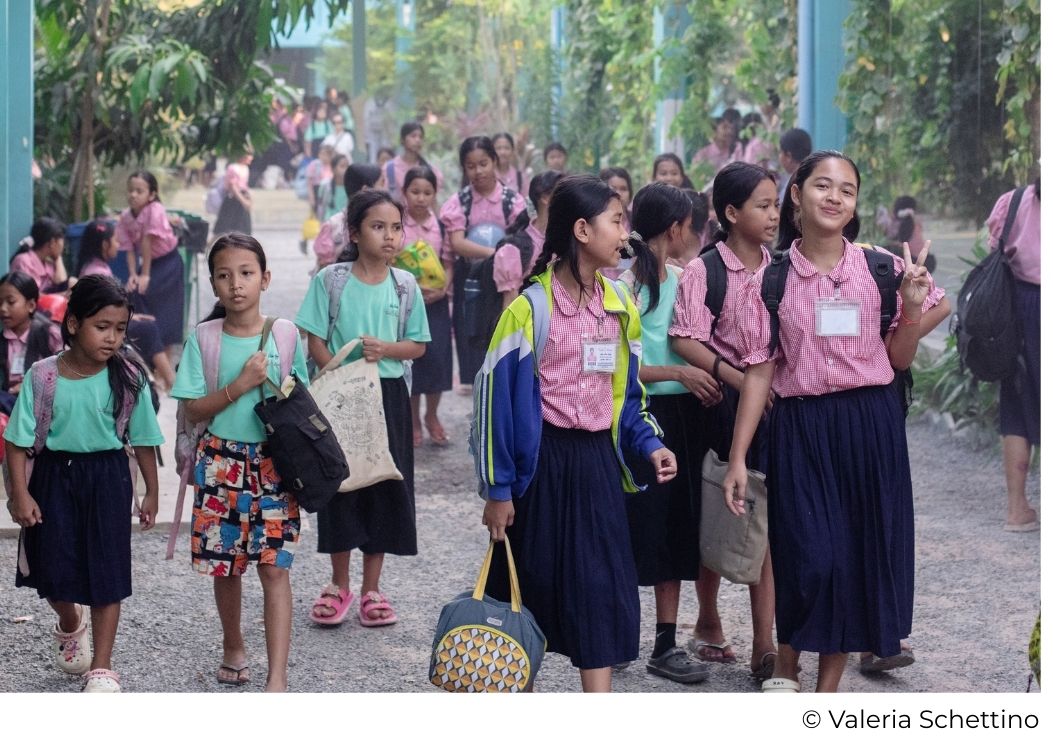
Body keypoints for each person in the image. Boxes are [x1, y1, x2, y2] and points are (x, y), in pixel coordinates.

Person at [721, 150, 945, 693]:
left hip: (871, 426)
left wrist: (911, 307)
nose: (835, 197)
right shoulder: (769, 280)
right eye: (823, 186)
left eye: (847, 190)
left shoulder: (882, 268)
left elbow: (900, 358)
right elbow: (758, 371)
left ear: (855, 204)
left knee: (853, 558)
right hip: (801, 427)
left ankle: (825, 695)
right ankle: (785, 660)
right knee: (808, 555)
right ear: (797, 195)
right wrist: (738, 456)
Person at [477, 174, 677, 692]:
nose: (626, 233)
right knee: (529, 593)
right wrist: (498, 491)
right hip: (540, 467)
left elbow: (628, 398)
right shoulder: (530, 309)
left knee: (601, 590)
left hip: (597, 467)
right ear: (583, 229)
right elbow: (496, 405)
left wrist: (650, 444)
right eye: (617, 221)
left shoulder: (620, 305)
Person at [4, 274, 163, 693]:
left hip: (108, 477)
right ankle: (71, 622)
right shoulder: (43, 377)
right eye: (102, 327)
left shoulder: (129, 378)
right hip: (55, 477)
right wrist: (18, 495)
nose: (113, 338)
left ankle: (103, 667)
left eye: (121, 329)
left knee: (106, 567)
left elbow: (144, 439)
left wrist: (151, 490)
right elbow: (16, 443)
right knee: (50, 565)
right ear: (73, 324)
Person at [170, 233, 309, 692]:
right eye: (225, 275)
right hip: (220, 462)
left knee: (274, 567)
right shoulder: (204, 338)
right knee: (226, 565)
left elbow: (302, 401)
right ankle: (233, 644)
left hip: (274, 464)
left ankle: (278, 679)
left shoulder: (285, 335)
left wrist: (273, 385)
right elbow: (192, 408)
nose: (236, 285)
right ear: (213, 283)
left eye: (247, 273)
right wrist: (243, 383)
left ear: (265, 279)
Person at [296, 190, 430, 630]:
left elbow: (418, 345)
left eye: (396, 227)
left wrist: (387, 348)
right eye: (378, 226)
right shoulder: (331, 281)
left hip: (389, 397)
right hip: (340, 399)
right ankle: (338, 584)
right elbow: (312, 334)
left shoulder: (405, 286)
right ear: (354, 232)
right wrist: (332, 368)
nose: (389, 236)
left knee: (384, 485)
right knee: (341, 485)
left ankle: (373, 587)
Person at [669, 162, 780, 679]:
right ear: (731, 213)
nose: (774, 214)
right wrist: (737, 378)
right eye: (763, 205)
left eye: (777, 204)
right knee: (719, 512)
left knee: (768, 522)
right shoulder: (704, 270)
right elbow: (683, 337)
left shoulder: (784, 268)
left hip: (779, 411)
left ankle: (765, 642)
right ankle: (708, 618)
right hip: (719, 408)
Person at [617, 183, 720, 684]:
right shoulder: (624, 289)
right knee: (637, 522)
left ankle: (663, 642)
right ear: (675, 229)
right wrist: (679, 373)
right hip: (641, 415)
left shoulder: (686, 279)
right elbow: (618, 369)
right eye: (689, 224)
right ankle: (618, 635)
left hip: (684, 420)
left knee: (676, 524)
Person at [439, 136, 527, 389]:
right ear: (464, 169)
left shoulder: (512, 200)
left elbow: (520, 239)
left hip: (505, 281)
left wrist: (499, 258)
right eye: (471, 166)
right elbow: (457, 243)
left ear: (495, 162)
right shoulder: (459, 203)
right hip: (470, 281)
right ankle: (478, 398)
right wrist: (496, 252)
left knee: (504, 336)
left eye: (483, 163)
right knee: (472, 340)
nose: (478, 171)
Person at [986, 179, 1040, 532]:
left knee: (1017, 403)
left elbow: (994, 248)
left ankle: (1017, 509)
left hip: (1017, 307)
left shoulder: (1014, 201)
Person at [75, 219, 176, 391]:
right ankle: (171, 381)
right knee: (148, 329)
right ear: (105, 244)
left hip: (108, 323)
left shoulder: (97, 267)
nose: (118, 243)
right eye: (115, 240)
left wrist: (133, 316)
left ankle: (162, 379)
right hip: (104, 328)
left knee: (146, 323)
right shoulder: (97, 272)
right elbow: (102, 312)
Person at [401, 166, 454, 447]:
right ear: (404, 193)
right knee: (412, 360)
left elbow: (449, 262)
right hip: (406, 304)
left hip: (436, 303)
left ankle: (432, 416)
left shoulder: (442, 226)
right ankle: (412, 420)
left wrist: (444, 289)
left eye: (427, 192)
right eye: (415, 192)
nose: (421, 198)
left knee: (437, 359)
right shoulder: (397, 225)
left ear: (435, 194)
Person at [116, 170, 185, 354]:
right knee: (136, 294)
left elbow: (147, 241)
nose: (133, 195)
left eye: (139, 191)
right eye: (131, 190)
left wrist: (144, 275)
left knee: (166, 316)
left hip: (167, 263)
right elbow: (129, 248)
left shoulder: (155, 209)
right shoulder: (125, 217)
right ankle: (147, 359)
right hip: (147, 263)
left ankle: (164, 368)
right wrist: (133, 274)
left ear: (152, 195)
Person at [494, 169, 565, 309]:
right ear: (545, 197)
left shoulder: (571, 241)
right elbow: (510, 306)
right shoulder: (513, 248)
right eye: (565, 193)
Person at [0, 271, 64, 411]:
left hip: (43, 403)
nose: (3, 308)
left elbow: (68, 371)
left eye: (10, 302)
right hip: (11, 402)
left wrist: (32, 385)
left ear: (31, 305)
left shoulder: (49, 334)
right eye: (0, 302)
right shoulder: (3, 339)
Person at [385, 122, 445, 205]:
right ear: (402, 140)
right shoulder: (389, 169)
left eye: (420, 137)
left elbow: (435, 203)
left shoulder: (431, 171)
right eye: (413, 136)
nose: (418, 140)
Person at [10, 217, 72, 294]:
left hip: (47, 303)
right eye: (62, 240)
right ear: (52, 242)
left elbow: (61, 282)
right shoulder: (23, 261)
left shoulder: (49, 263)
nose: (63, 245)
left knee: (73, 282)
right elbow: (31, 295)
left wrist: (58, 258)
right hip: (30, 304)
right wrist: (61, 296)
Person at [877, 196, 933, 271]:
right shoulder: (915, 220)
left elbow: (895, 238)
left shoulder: (906, 222)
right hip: (923, 259)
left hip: (912, 259)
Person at [212, 163, 253, 238]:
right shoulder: (233, 168)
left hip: (242, 201)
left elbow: (245, 186)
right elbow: (232, 186)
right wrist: (243, 201)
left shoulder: (246, 168)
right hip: (233, 201)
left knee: (243, 231)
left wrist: (248, 199)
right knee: (222, 231)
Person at [776, 127, 812, 201]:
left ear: (789, 156)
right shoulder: (815, 177)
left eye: (780, 152)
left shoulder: (791, 186)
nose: (779, 156)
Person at [317, 155, 351, 221]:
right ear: (333, 169)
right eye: (342, 166)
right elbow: (320, 206)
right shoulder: (325, 185)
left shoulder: (351, 187)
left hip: (345, 224)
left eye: (347, 166)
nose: (346, 169)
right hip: (329, 223)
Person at [600, 166, 634, 231]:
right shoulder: (597, 221)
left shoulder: (635, 219)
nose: (618, 194)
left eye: (623, 189)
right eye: (613, 189)